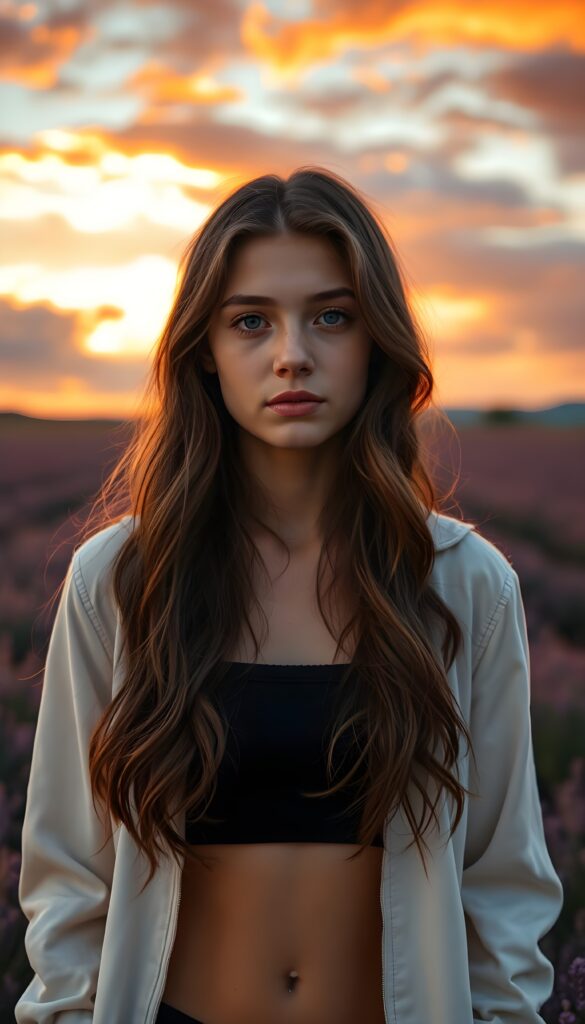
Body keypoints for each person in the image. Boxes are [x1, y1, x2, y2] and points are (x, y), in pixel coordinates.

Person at [16, 167, 563, 1024]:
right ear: (204, 350)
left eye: (331, 317)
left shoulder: (463, 583)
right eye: (250, 322)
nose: (292, 354)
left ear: (376, 340)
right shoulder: (122, 580)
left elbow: (503, 881)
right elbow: (68, 874)